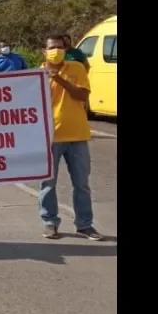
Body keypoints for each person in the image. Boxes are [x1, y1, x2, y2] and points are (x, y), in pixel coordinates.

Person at [38, 35, 103, 241]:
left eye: (60, 47)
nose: (56, 51)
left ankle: (85, 225)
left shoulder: (77, 68)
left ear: (65, 50)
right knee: (48, 183)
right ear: (44, 51)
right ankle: (50, 222)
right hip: (49, 137)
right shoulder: (36, 76)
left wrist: (57, 78)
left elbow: (82, 96)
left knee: (81, 184)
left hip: (77, 135)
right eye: (52, 47)